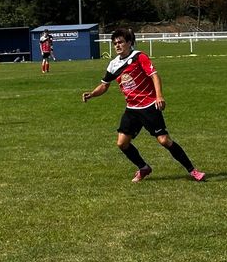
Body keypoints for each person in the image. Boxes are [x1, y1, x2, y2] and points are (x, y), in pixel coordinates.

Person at [82, 26, 205, 182]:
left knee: (164, 141)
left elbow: (154, 75)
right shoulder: (113, 65)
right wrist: (92, 94)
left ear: (129, 42)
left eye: (120, 42)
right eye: (115, 43)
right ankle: (143, 167)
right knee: (122, 143)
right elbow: (104, 85)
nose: (117, 46)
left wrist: (159, 96)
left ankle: (193, 170)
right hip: (132, 109)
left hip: (148, 106)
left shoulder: (139, 57)